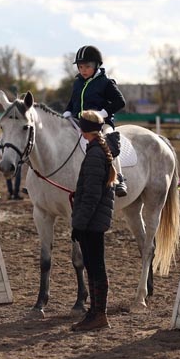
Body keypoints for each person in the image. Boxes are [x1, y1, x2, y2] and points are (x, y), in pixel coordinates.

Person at [70, 110, 117, 332]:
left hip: (91, 223)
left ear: (82, 129)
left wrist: (79, 224)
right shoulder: (98, 150)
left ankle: (100, 315)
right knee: (93, 266)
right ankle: (95, 313)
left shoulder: (94, 155)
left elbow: (90, 195)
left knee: (96, 267)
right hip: (94, 221)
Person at [63, 45, 128, 197]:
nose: (83, 70)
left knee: (108, 141)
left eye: (87, 67)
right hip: (78, 120)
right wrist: (67, 112)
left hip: (101, 123)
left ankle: (119, 177)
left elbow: (120, 102)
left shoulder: (106, 82)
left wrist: (102, 113)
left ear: (96, 65)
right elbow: (73, 100)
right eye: (80, 67)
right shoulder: (78, 82)